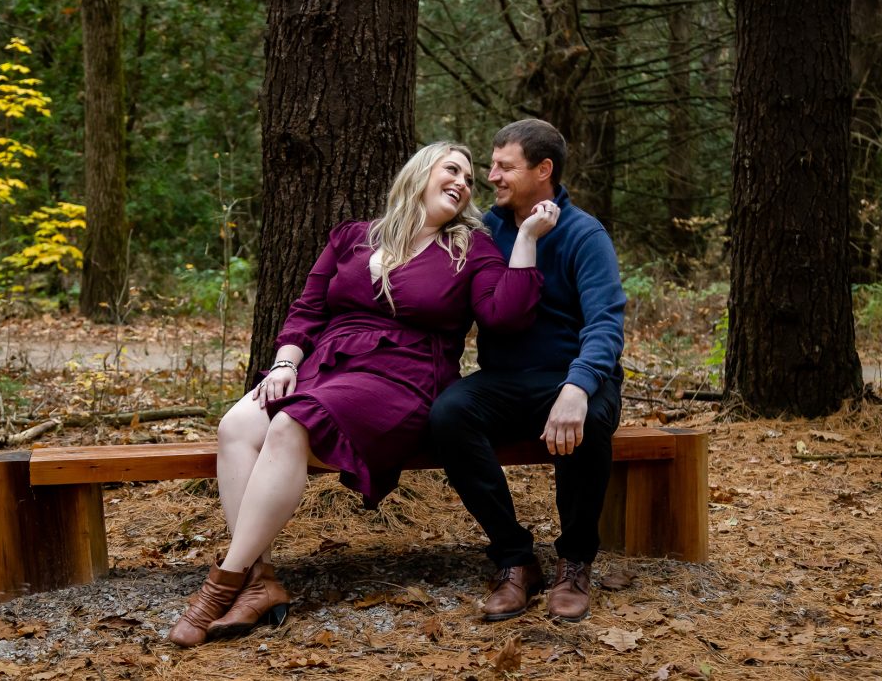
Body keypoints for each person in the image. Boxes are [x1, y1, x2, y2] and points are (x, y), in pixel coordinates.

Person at [167, 142, 559, 647]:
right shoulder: (354, 236)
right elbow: (307, 308)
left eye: (469, 179)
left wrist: (526, 239)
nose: (463, 183)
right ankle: (259, 582)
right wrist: (287, 361)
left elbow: (506, 315)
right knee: (237, 426)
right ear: (419, 174)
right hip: (326, 365)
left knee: (290, 425)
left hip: (403, 378)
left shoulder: (469, 248)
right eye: (452, 169)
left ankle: (220, 586)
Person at [430, 120, 626, 622]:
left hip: (572, 375)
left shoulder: (585, 235)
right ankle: (515, 557)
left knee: (589, 422)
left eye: (504, 167)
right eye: (490, 165)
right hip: (505, 378)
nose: (490, 176)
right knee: (449, 415)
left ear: (544, 170)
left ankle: (575, 561)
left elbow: (606, 324)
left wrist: (578, 387)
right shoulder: (486, 231)